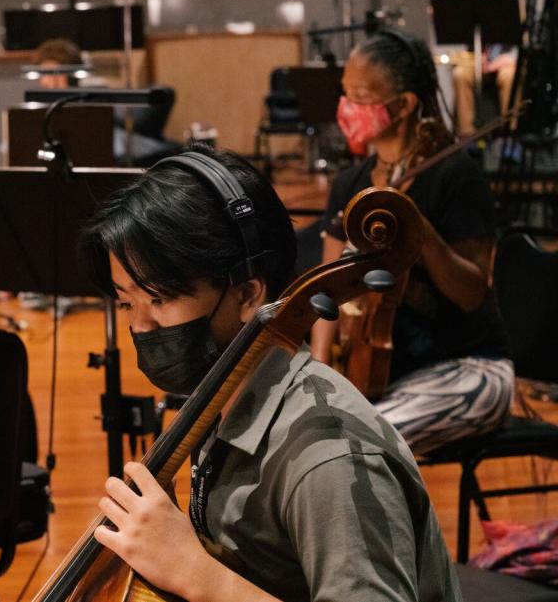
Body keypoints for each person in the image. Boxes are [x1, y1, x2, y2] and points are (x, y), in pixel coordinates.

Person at [79, 144, 460, 602]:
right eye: (126, 302)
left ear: (247, 295)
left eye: (159, 299)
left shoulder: (330, 457)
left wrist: (197, 572)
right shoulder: (222, 401)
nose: (139, 325)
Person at [313, 29, 513, 454]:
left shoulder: (455, 176)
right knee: (310, 436)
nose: (346, 109)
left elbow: (472, 293)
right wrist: (319, 376)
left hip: (466, 369)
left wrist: (419, 231)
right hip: (380, 377)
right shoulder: (350, 184)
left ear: (402, 105)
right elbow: (328, 291)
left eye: (360, 97)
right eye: (344, 94)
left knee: (354, 444)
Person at [451, 0, 518, 136]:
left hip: (508, 62)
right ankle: (467, 136)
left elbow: (525, 45)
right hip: (484, 62)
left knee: (508, 76)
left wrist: (508, 59)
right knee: (460, 74)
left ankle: (510, 133)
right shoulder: (475, 12)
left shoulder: (515, 9)